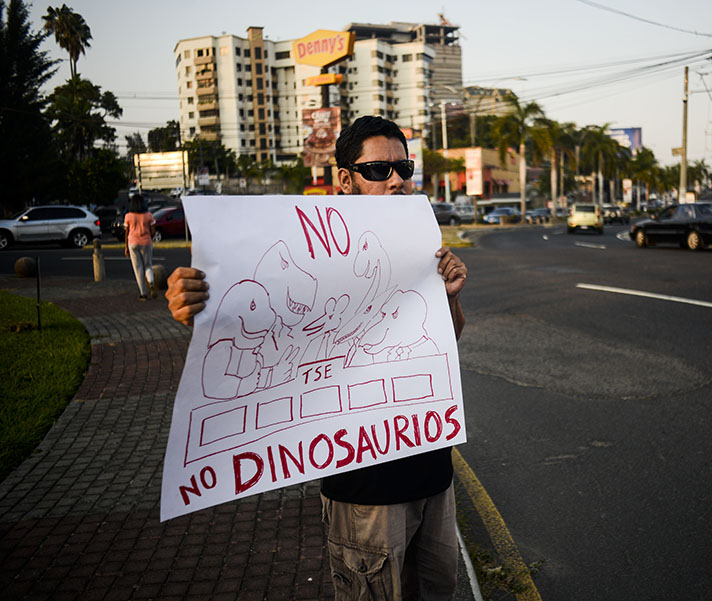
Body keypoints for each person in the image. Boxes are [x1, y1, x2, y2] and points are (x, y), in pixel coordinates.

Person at [165, 115, 468, 601]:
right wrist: (196, 305)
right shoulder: (310, 251)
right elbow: (257, 317)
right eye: (378, 170)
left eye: (403, 168)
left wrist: (449, 296)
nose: (396, 180)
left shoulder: (420, 246)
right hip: (366, 490)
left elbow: (446, 341)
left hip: (434, 474)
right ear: (344, 180)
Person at [124, 195, 157, 300]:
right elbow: (153, 231)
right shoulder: (148, 215)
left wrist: (126, 247)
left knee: (138, 268)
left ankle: (143, 294)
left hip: (132, 242)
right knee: (148, 265)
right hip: (146, 242)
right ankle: (151, 281)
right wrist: (148, 238)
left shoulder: (128, 216)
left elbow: (126, 232)